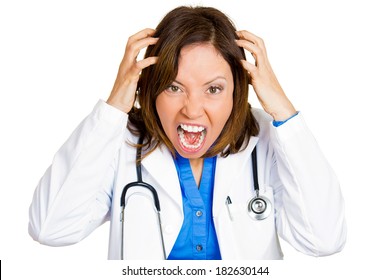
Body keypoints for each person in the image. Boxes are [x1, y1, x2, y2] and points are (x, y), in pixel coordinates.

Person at [28, 6, 346, 260]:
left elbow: (324, 239)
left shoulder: (264, 140)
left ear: (239, 91)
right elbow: (50, 228)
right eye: (174, 86)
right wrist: (113, 108)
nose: (192, 110)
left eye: (214, 89)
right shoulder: (119, 143)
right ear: (149, 87)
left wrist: (284, 111)